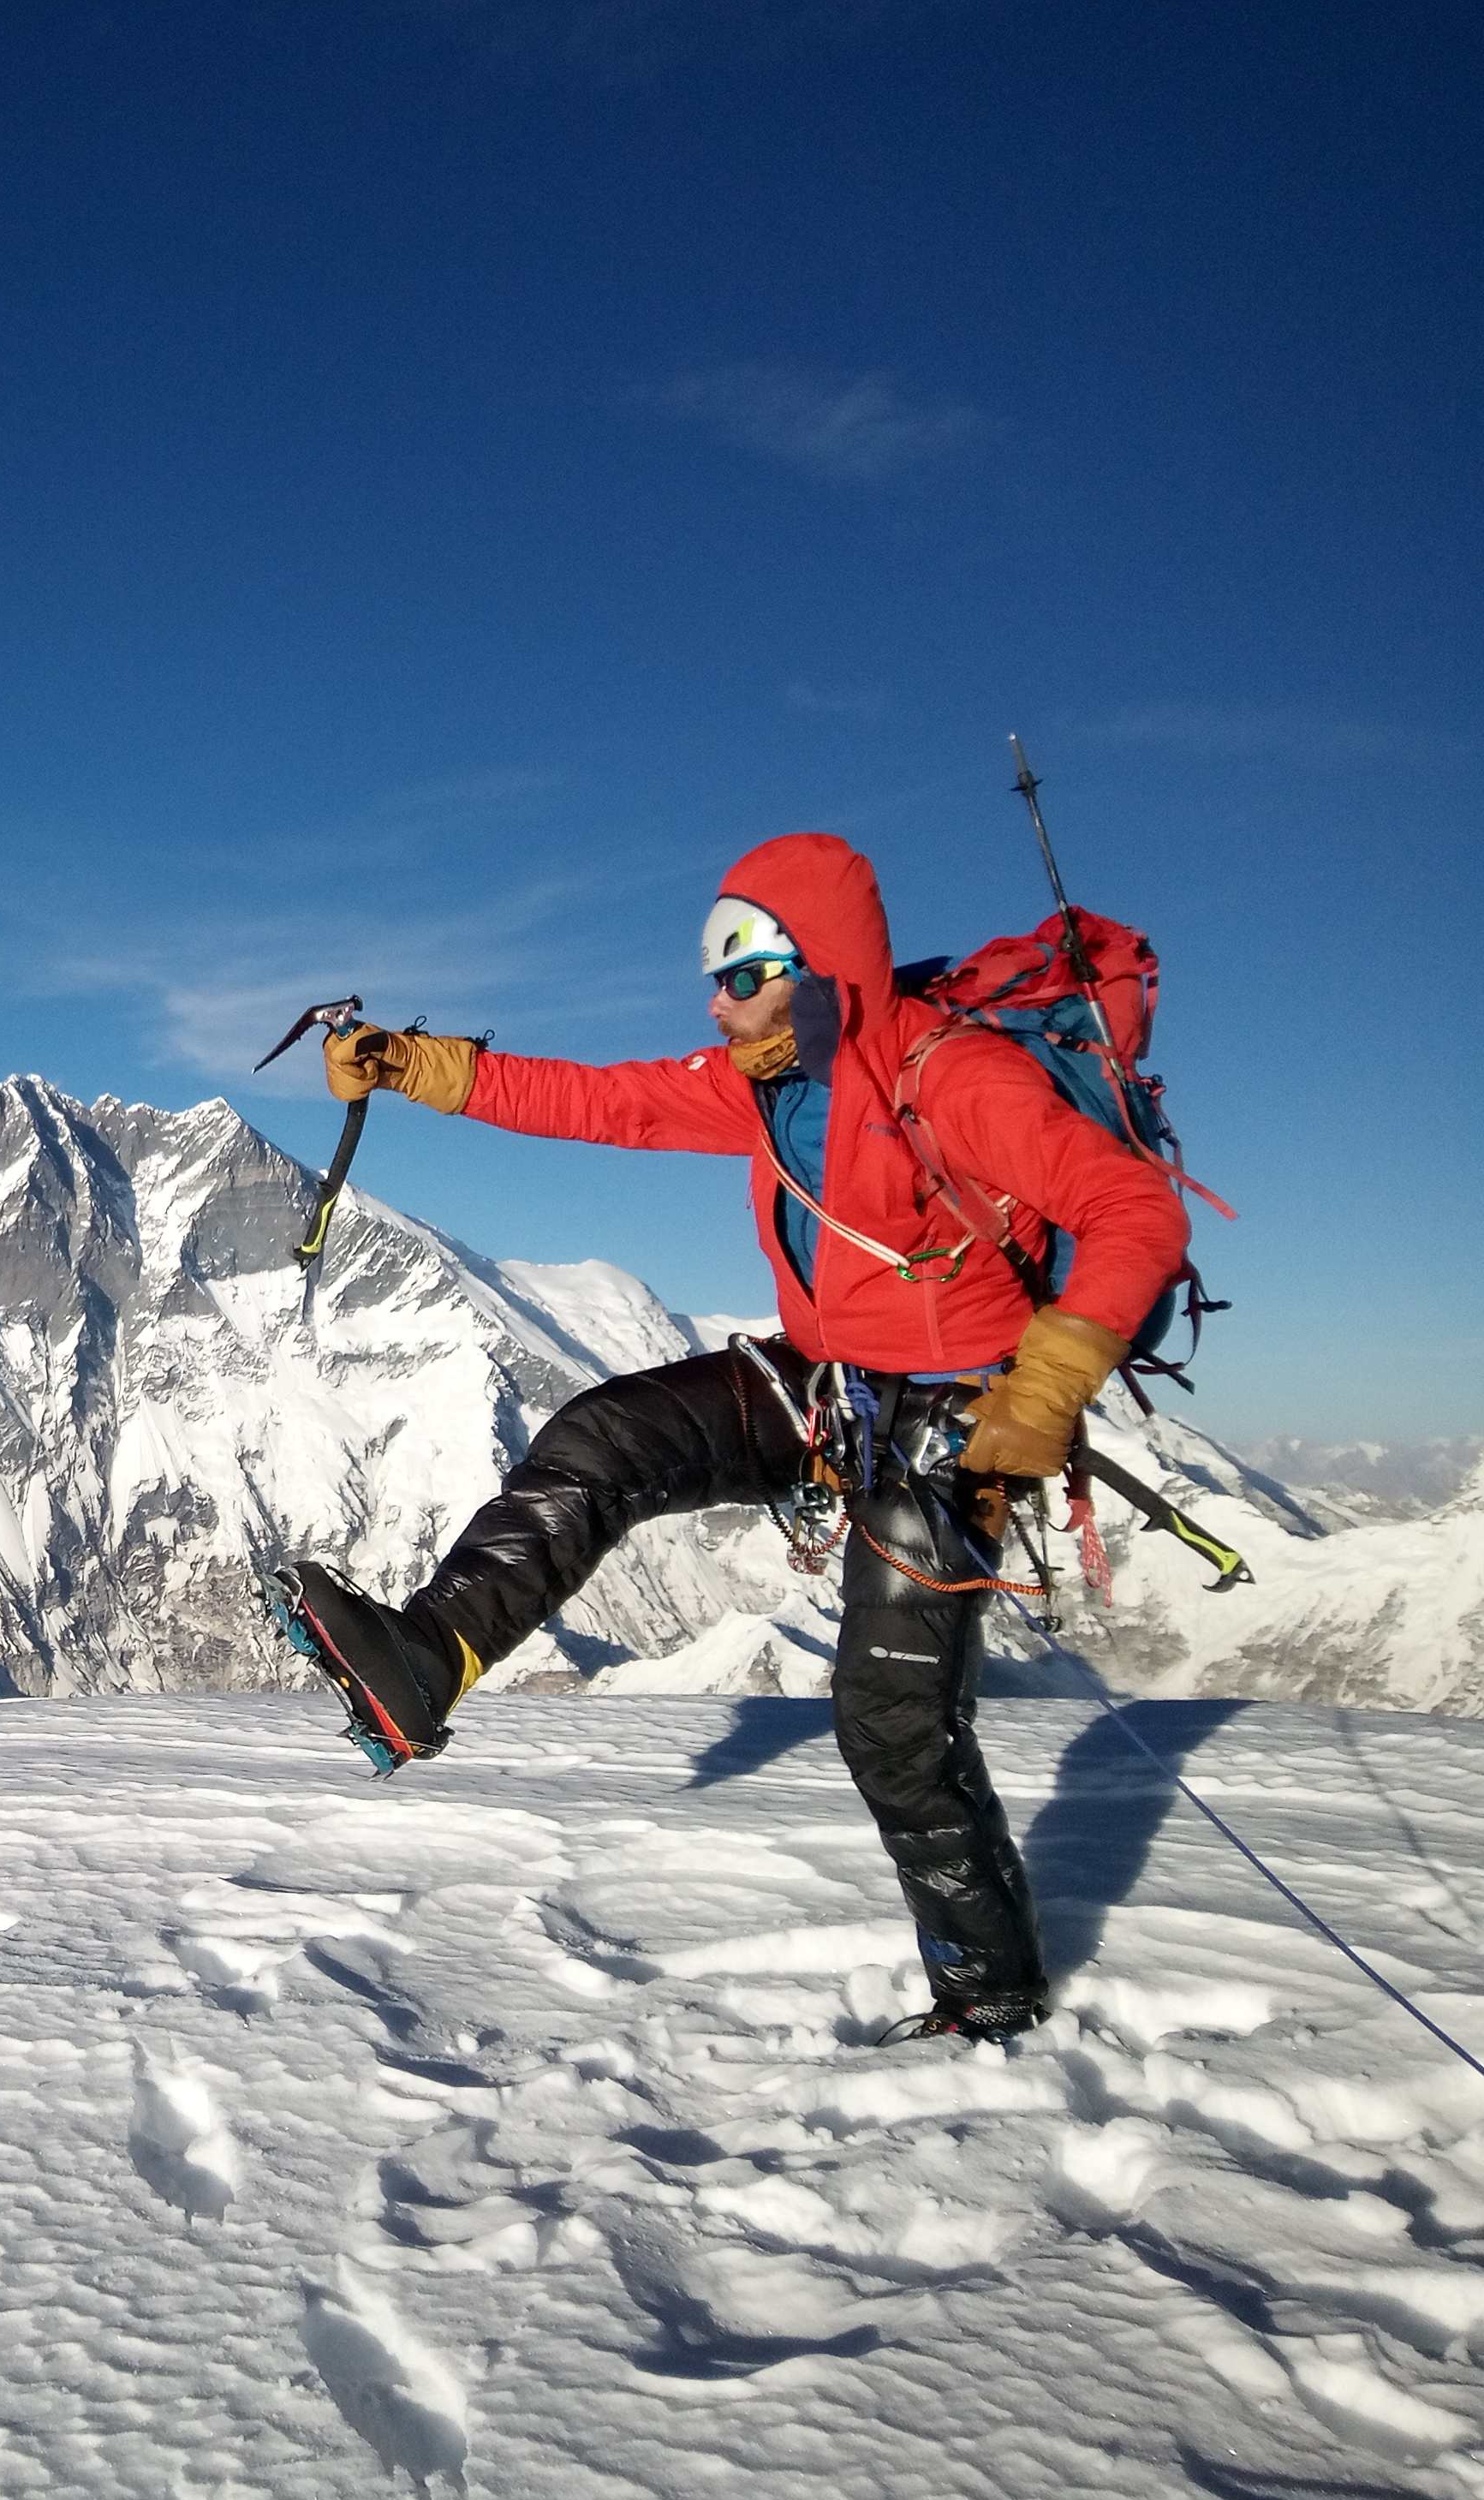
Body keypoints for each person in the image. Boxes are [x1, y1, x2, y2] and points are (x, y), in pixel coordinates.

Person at [271, 832, 1191, 2046]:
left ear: (822, 967)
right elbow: (605, 1102)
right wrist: (417, 1067)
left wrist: (1052, 1376)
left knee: (892, 1722)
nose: (716, 997)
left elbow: (1132, 1208)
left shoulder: (951, 1079)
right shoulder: (767, 1083)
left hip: (960, 1417)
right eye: (714, 968)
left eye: (743, 968)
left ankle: (990, 2000)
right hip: (832, 1379)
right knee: (608, 1438)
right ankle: (428, 1657)